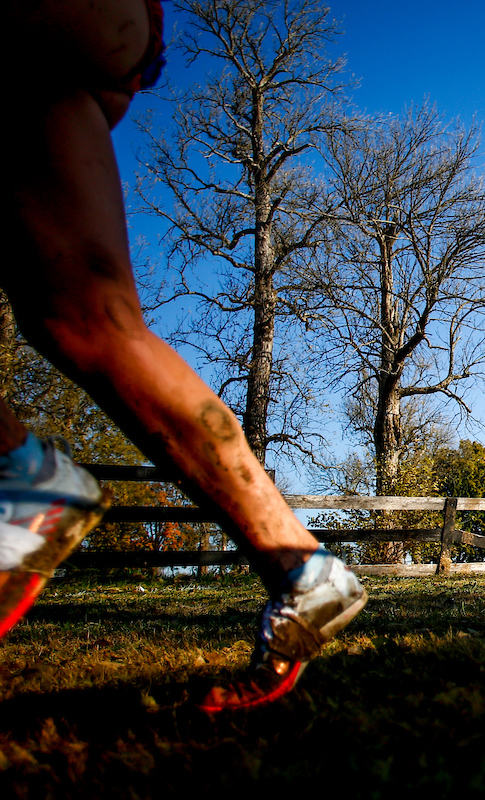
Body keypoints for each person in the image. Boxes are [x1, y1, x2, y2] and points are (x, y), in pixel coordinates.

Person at [0, 0, 365, 712]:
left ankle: (24, 478)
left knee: (90, 318)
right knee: (88, 320)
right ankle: (302, 567)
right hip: (110, 29)